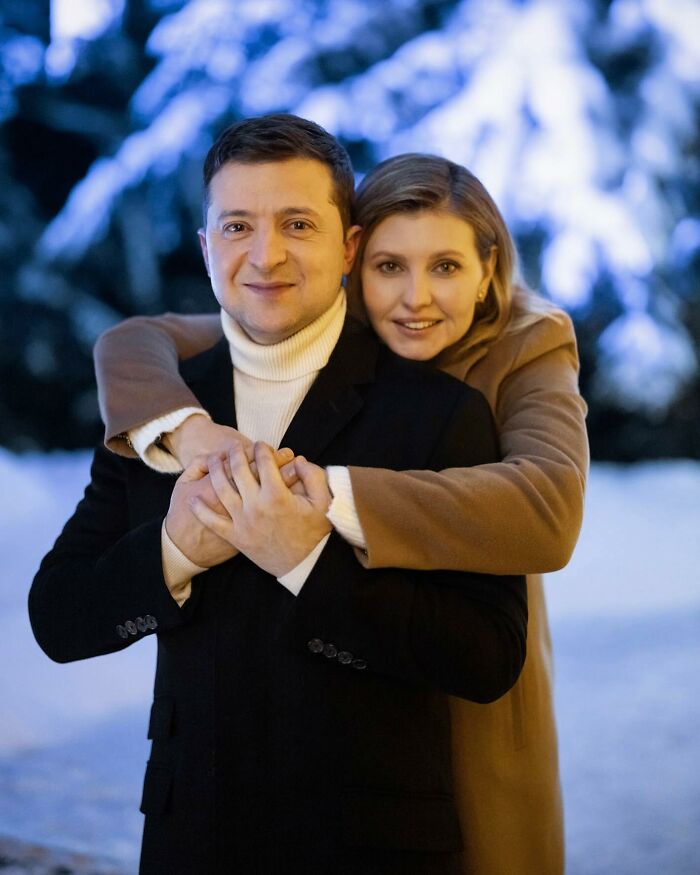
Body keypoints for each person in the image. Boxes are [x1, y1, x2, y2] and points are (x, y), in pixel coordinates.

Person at [29, 115, 527, 875]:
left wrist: (306, 561)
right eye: (238, 226)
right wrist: (173, 551)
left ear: (348, 247)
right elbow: (57, 617)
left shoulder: (440, 414)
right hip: (190, 839)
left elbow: (488, 656)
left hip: (373, 849)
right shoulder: (163, 414)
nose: (265, 255)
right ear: (206, 247)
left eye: (297, 224)